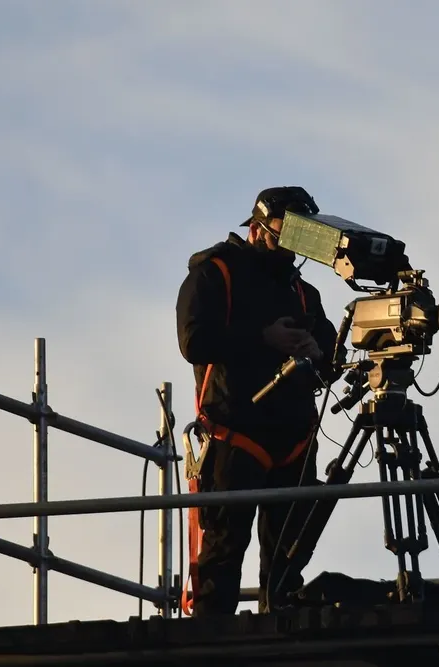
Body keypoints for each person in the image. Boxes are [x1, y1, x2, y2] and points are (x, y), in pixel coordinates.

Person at [175, 185, 344, 616]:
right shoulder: (215, 272)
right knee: (222, 556)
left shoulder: (305, 293)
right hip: (235, 433)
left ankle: (280, 641)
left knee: (287, 562)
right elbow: (194, 341)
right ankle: (210, 648)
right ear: (257, 227)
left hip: (294, 439)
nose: (292, 247)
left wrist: (316, 350)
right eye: (286, 233)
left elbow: (331, 359)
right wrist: (263, 339)